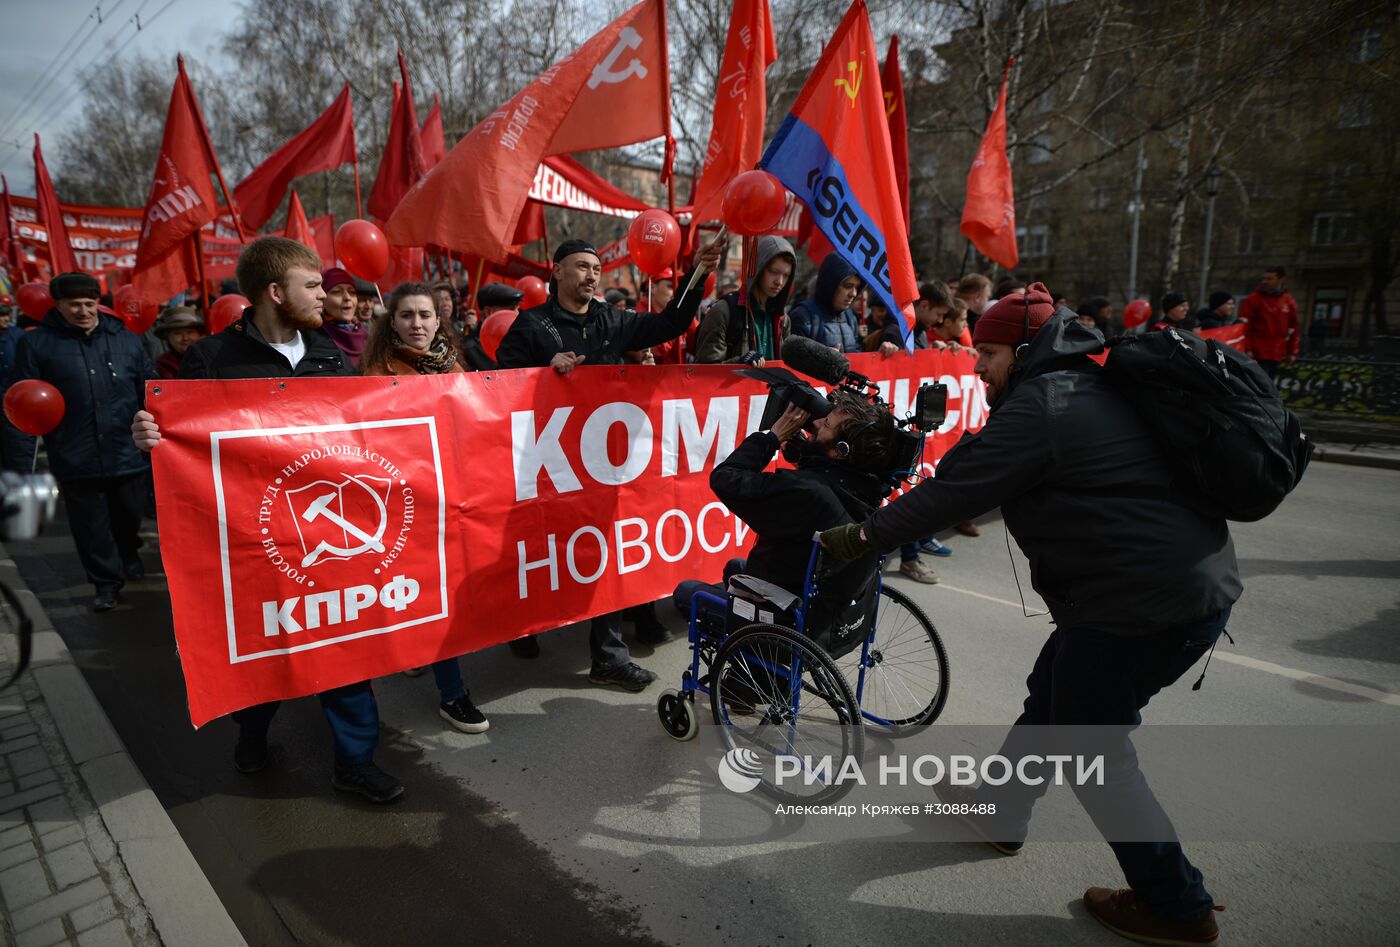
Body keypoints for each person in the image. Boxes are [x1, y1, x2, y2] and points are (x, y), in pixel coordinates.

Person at [819, 282, 1240, 946]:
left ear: (1021, 348)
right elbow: (973, 464)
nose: (976, 364)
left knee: (1091, 746)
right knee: (1053, 693)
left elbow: (955, 490)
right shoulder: (1074, 384)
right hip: (1172, 588)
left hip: (1140, 602)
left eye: (986, 351)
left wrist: (861, 535)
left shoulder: (1045, 403)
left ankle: (1176, 902)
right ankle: (1002, 806)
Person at [130, 236, 403, 804]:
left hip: (327, 539)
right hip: (252, 540)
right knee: (266, 652)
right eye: (311, 285)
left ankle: (355, 761)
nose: (324, 295)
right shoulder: (211, 359)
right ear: (275, 292)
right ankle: (251, 732)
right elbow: (181, 440)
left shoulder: (331, 353)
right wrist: (148, 437)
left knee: (343, 650)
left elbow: (362, 432)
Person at [493, 234, 725, 691]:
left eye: (595, 268)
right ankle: (525, 624)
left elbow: (672, 323)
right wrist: (542, 373)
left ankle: (608, 656)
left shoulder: (611, 320)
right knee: (546, 554)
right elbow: (499, 386)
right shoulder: (532, 326)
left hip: (601, 466)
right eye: (581, 266)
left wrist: (697, 271)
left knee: (605, 553)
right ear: (556, 272)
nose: (591, 275)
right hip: (547, 467)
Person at [359, 281, 489, 735]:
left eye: (425, 315)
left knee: (444, 594)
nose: (417, 324)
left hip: (456, 497)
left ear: (440, 321)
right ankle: (453, 694)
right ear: (391, 322)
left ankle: (418, 652)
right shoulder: (379, 372)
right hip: (407, 504)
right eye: (407, 316)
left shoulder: (454, 364)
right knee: (432, 594)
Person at [673, 391, 893, 651]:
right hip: (831, 609)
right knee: (735, 566)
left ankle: (746, 671)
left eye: (827, 425)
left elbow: (725, 478)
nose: (818, 423)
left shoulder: (808, 492)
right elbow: (826, 469)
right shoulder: (871, 485)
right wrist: (810, 447)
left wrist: (773, 437)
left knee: (687, 592)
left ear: (841, 450)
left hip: (790, 621)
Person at [5, 272, 155, 612]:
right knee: (91, 528)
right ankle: (105, 583)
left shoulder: (126, 340)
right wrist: (22, 463)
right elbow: (23, 402)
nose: (83, 311)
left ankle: (129, 553)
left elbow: (150, 390)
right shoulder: (37, 344)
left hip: (126, 452)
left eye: (90, 304)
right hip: (74, 455)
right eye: (74, 305)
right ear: (57, 305)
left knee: (128, 516)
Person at [694, 236, 796, 364]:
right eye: (773, 271)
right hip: (733, 384)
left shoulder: (783, 320)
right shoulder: (724, 311)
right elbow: (704, 371)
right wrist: (739, 363)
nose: (779, 282)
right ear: (758, 268)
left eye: (786, 275)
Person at [790, 254, 863, 353]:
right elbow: (793, 363)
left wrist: (880, 354)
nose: (854, 293)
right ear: (830, 284)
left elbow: (858, 355)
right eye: (847, 286)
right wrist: (821, 360)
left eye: (857, 287)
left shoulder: (850, 317)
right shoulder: (802, 317)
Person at [1240, 267, 1299, 378]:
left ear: (1281, 279)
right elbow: (1244, 326)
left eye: (1269, 279)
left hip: (1277, 353)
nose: (1264, 281)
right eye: (1264, 278)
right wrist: (1247, 348)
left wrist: (1292, 352)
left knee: (1269, 386)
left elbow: (1293, 327)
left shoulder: (1288, 301)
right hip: (1257, 353)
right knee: (1259, 386)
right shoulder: (1253, 299)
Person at [320, 267, 368, 367]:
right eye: (337, 292)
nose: (347, 298)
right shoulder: (313, 338)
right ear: (322, 299)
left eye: (352, 292)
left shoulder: (370, 337)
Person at [151, 306, 207, 379]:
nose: (185, 338)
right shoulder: (164, 363)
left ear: (199, 334)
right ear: (168, 337)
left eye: (190, 332)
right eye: (177, 333)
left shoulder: (209, 357)